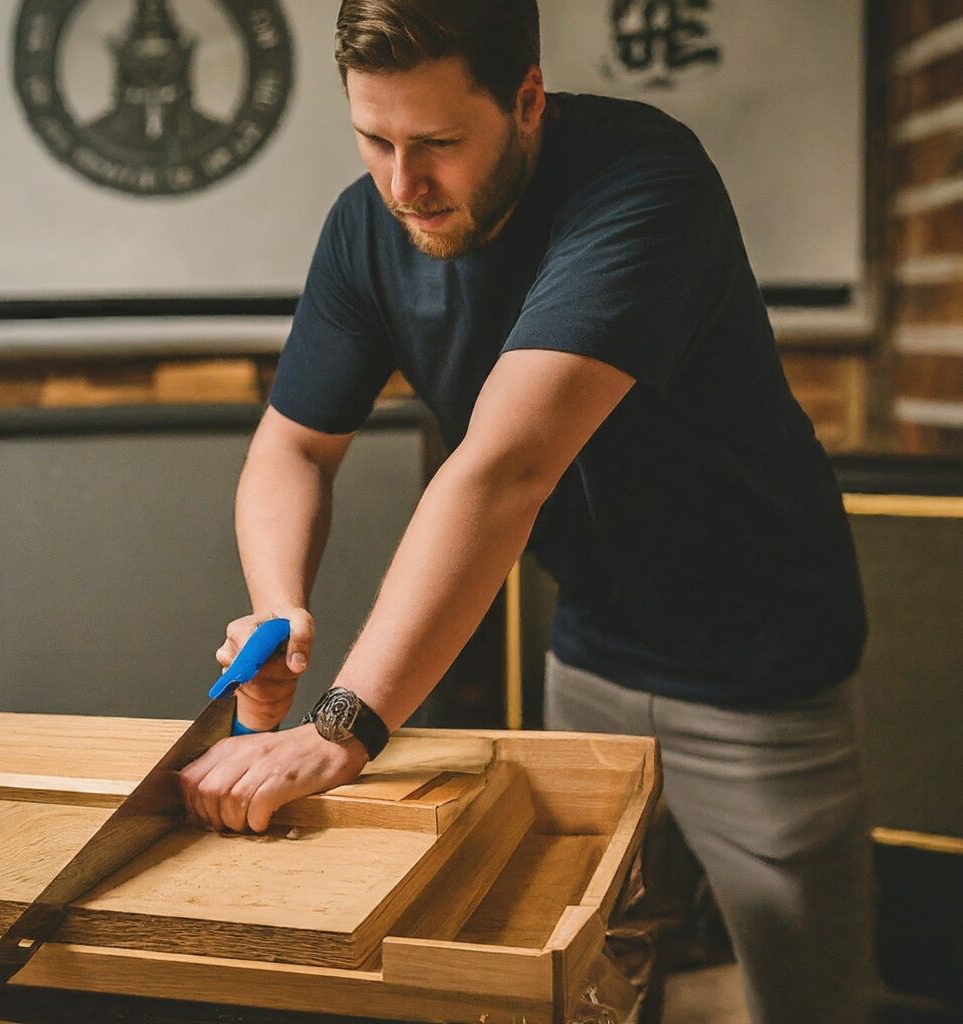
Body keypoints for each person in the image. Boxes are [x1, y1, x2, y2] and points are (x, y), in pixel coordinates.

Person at [178, 2, 871, 1021]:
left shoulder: (643, 183)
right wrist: (278, 611)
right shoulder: (367, 225)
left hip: (759, 662)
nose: (401, 184)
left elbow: (504, 469)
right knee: (590, 970)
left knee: (804, 994)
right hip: (590, 651)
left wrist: (342, 726)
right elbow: (291, 444)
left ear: (528, 101)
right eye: (374, 139)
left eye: (438, 145)